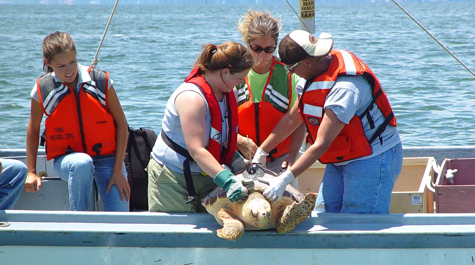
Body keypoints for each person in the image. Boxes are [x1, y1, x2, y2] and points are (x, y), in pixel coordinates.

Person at [253, 30, 403, 214]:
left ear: (307, 63)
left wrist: (284, 179)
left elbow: (321, 144)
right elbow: (293, 117)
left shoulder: (345, 88)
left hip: (373, 157)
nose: (290, 73)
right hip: (341, 157)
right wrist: (262, 151)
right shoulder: (311, 75)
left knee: (359, 222)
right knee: (325, 215)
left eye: (291, 69)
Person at [25, 31, 130, 211]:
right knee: (82, 163)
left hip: (107, 160)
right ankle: (79, 221)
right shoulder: (42, 88)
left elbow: (122, 124)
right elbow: (34, 129)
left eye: (72, 62)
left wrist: (118, 170)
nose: (69, 70)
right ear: (48, 63)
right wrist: (32, 172)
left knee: (122, 222)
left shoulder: (100, 81)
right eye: (62, 65)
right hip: (69, 160)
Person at [148, 42, 254, 213]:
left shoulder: (229, 92)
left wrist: (238, 163)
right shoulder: (192, 98)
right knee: (176, 234)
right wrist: (228, 182)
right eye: (240, 78)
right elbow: (196, 149)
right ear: (225, 73)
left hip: (207, 175)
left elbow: (220, 137)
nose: (241, 83)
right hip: (173, 177)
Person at [236, 10, 305, 179]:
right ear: (247, 43)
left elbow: (298, 119)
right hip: (238, 159)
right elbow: (217, 119)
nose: (262, 55)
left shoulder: (289, 75)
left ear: (276, 45)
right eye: (256, 48)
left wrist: (293, 155)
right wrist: (237, 141)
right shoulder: (233, 72)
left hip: (279, 159)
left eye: (269, 49)